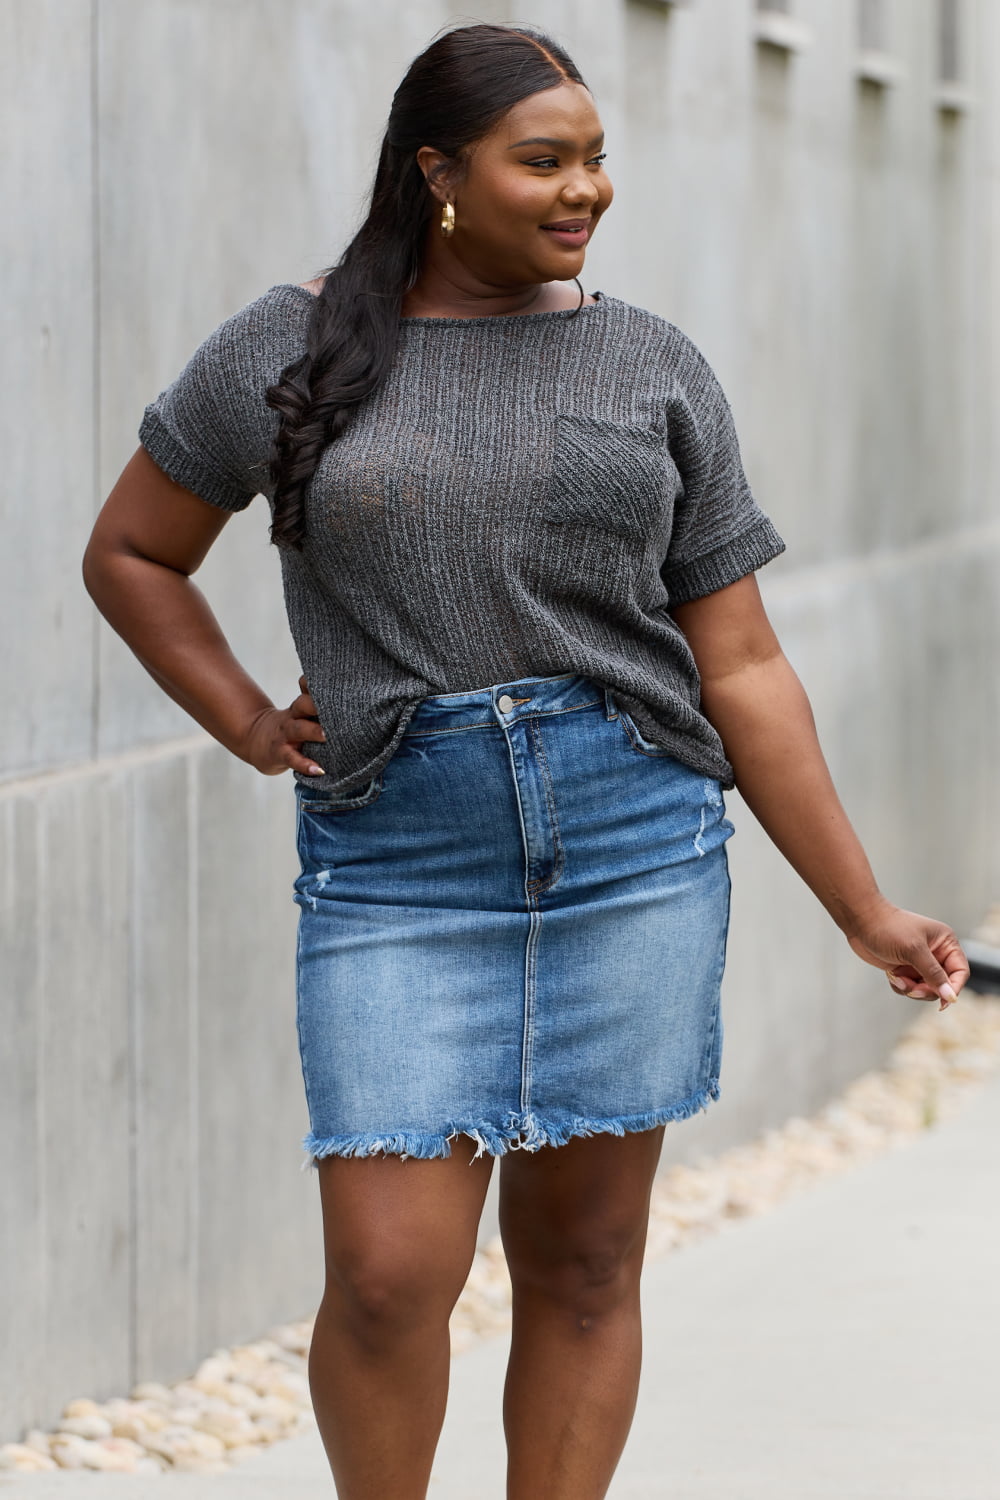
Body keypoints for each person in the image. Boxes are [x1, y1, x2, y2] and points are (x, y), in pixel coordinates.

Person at [82, 21, 970, 1500]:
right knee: (386, 1277)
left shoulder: (648, 363)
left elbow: (743, 664)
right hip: (398, 861)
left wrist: (861, 907)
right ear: (437, 172)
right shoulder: (288, 348)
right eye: (544, 160)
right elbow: (131, 551)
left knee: (584, 1263)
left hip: (634, 844)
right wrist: (243, 716)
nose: (587, 190)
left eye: (597, 158)